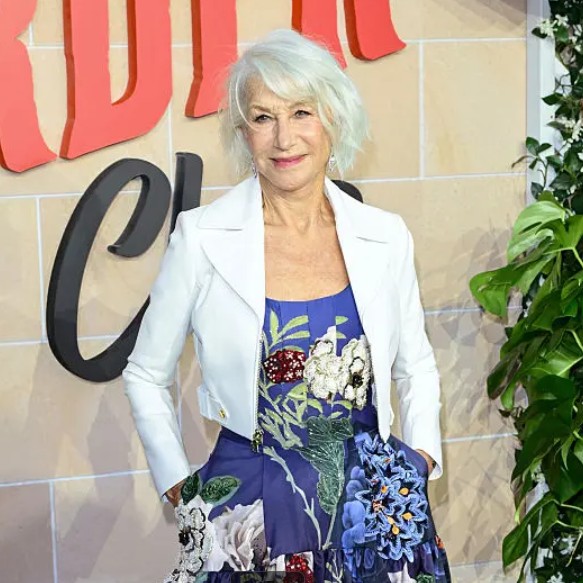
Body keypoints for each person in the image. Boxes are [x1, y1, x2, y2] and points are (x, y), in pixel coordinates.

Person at [123, 29, 450, 583]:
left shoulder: (385, 236)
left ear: (332, 120)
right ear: (243, 133)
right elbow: (144, 374)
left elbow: (415, 364)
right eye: (263, 117)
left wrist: (418, 461)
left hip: (374, 508)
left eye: (301, 112)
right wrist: (181, 487)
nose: (283, 138)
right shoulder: (201, 238)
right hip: (248, 509)